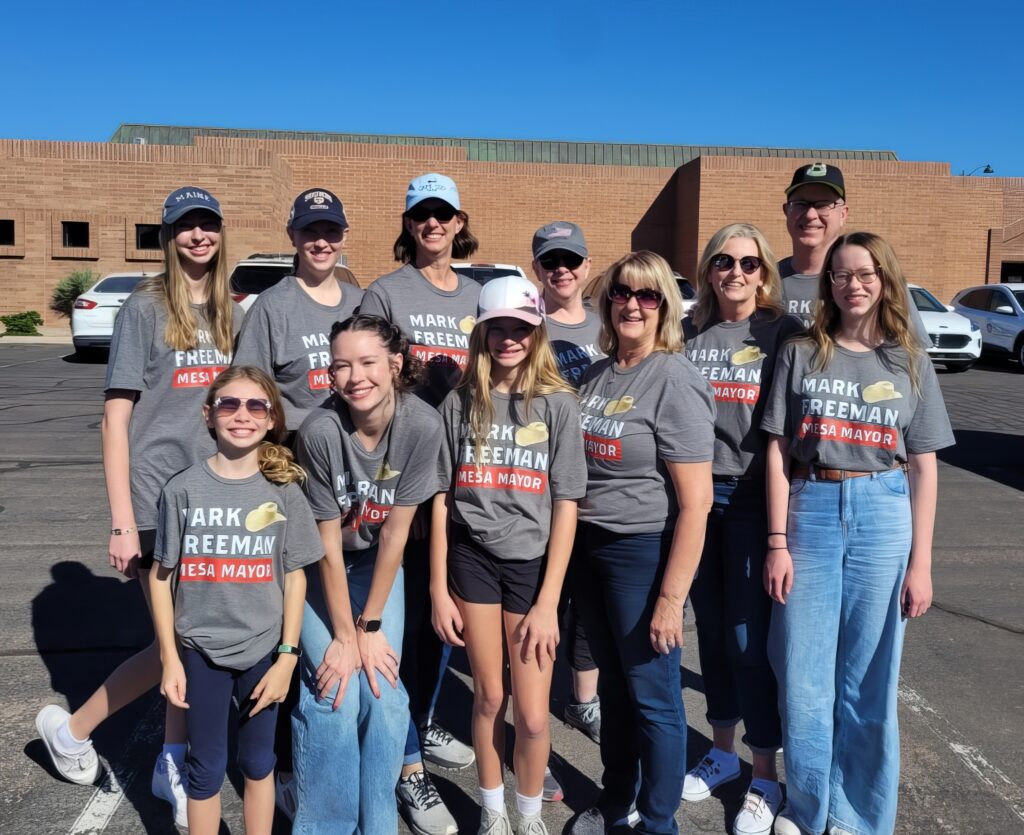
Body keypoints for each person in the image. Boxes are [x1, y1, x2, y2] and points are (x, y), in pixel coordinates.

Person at [34, 186, 242, 828]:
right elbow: (114, 417)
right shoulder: (145, 309)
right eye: (185, 226)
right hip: (158, 497)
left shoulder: (233, 309)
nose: (198, 236)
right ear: (167, 235)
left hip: (215, 495)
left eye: (207, 224)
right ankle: (75, 730)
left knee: (186, 641)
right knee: (179, 644)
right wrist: (123, 519)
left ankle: (169, 757)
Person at [761, 231, 954, 835]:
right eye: (841, 275)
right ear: (829, 284)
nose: (854, 284)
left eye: (865, 273)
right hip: (811, 504)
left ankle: (859, 815)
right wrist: (776, 542)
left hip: (883, 513)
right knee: (804, 676)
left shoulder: (909, 360)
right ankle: (807, 806)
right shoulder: (802, 351)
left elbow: (924, 464)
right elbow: (776, 450)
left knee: (869, 681)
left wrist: (920, 564)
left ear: (885, 278)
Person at [431, 275, 586, 835]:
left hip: (531, 567)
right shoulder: (459, 402)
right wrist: (436, 586)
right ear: (482, 333)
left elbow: (567, 504)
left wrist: (549, 603)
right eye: (496, 328)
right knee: (490, 695)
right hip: (472, 558)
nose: (507, 339)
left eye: (519, 328)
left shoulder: (557, 406)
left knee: (534, 713)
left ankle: (528, 814)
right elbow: (442, 498)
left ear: (536, 331)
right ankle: (493, 811)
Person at [571, 251, 716, 835]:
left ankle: (658, 822)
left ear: (665, 306)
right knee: (615, 686)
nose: (632, 304)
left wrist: (669, 598)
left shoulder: (674, 378)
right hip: (589, 547)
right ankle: (616, 800)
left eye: (648, 295)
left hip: (641, 554)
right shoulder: (599, 374)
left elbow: (696, 503)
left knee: (654, 697)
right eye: (621, 294)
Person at [149, 366, 322, 834]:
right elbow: (161, 578)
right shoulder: (182, 489)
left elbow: (296, 576)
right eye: (228, 404)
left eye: (255, 405)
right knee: (205, 767)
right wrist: (170, 657)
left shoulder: (285, 492)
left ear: (271, 419)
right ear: (208, 415)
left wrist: (287, 657)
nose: (241, 414)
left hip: (263, 651)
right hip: (200, 650)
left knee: (258, 761)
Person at [291, 315, 445, 835]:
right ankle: (324, 824)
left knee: (381, 690)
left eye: (368, 362)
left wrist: (370, 627)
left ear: (395, 364)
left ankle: (377, 824)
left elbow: (397, 536)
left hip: (378, 567)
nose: (355, 376)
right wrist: (344, 634)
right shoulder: (319, 431)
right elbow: (326, 546)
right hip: (320, 567)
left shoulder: (421, 425)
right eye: (341, 365)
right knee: (337, 691)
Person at [360, 172, 479, 831]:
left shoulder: (478, 294)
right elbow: (372, 378)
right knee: (403, 623)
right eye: (420, 215)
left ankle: (421, 722)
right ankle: (407, 766)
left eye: (442, 214)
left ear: (459, 221)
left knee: (445, 624)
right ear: (408, 224)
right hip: (405, 480)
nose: (432, 224)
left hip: (464, 483)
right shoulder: (386, 290)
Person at [680, 225, 803, 835]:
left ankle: (763, 775)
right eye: (723, 261)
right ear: (708, 269)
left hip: (754, 500)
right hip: (696, 501)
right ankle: (722, 753)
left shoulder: (782, 332)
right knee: (710, 630)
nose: (735, 272)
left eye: (749, 263)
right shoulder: (686, 333)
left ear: (763, 273)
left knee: (749, 641)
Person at [530, 222, 603, 752]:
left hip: (601, 480)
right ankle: (530, 712)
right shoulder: (526, 326)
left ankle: (583, 699)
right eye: (551, 261)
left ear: (585, 265)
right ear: (536, 268)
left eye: (570, 260)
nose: (562, 270)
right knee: (544, 596)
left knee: (589, 597)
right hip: (540, 484)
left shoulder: (607, 325)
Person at [233, 187, 363, 434]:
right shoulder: (271, 306)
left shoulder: (362, 304)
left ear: (345, 236)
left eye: (331, 232)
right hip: (294, 450)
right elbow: (248, 387)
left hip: (355, 446)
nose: (321, 243)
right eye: (309, 232)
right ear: (292, 235)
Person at [779, 163, 930, 346]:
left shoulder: (877, 282)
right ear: (787, 211)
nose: (811, 214)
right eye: (801, 204)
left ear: (843, 214)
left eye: (823, 205)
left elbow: (914, 358)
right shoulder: (761, 280)